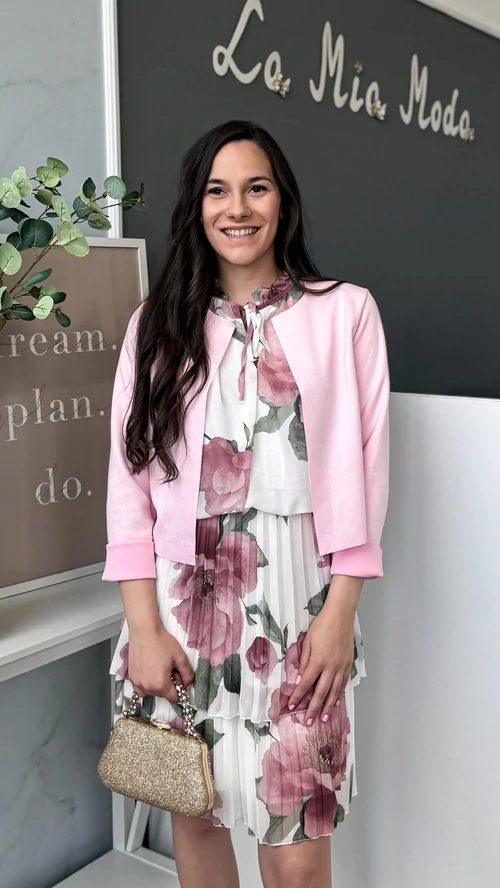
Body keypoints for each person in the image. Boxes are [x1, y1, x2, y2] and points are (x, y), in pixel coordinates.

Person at [102, 119, 390, 888]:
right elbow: (128, 484)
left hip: (304, 612)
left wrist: (341, 613)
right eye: (217, 191)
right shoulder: (155, 326)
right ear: (196, 208)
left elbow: (369, 472)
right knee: (196, 823)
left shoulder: (347, 313)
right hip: (180, 610)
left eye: (255, 187)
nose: (238, 207)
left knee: (298, 863)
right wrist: (142, 629)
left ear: (282, 200)